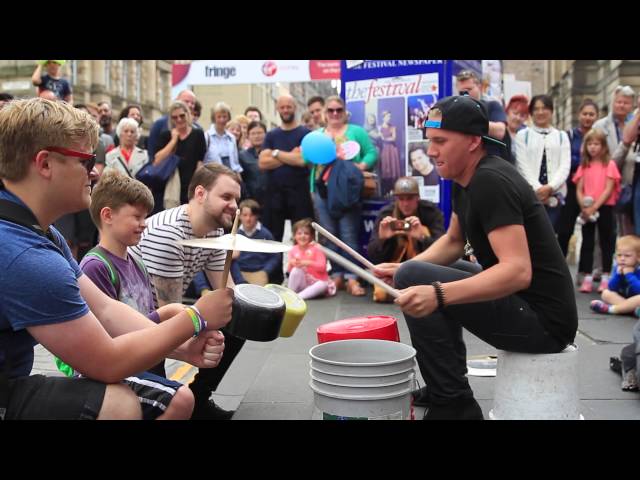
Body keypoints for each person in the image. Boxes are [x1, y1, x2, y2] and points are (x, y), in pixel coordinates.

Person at [0, 98, 232, 420]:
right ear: (44, 164)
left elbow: (107, 310)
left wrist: (180, 346)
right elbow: (107, 362)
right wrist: (194, 319)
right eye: (85, 160)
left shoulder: (39, 232)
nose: (94, 171)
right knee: (119, 404)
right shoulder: (25, 254)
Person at [374, 95, 578, 420]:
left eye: (440, 141)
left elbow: (517, 272)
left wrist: (437, 293)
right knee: (412, 272)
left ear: (472, 141)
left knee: (416, 279)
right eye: (430, 141)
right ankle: (447, 386)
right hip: (521, 301)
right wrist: (403, 267)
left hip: (544, 323)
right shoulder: (464, 179)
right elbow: (454, 242)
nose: (430, 151)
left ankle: (453, 404)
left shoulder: (490, 182)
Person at [78, 170, 212, 419]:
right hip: (115, 370)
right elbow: (105, 336)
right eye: (137, 216)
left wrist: (169, 313)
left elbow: (143, 318)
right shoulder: (96, 266)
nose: (145, 223)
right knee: (179, 400)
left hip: (146, 363)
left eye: (146, 216)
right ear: (107, 215)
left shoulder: (136, 261)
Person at [129, 163, 244, 420]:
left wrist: (257, 310)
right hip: (133, 324)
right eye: (226, 197)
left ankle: (200, 397)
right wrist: (199, 339)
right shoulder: (169, 232)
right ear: (200, 194)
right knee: (162, 403)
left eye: (236, 199)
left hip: (162, 318)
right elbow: (169, 315)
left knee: (239, 318)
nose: (235, 206)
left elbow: (226, 292)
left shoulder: (214, 230)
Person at [306, 95, 378, 296]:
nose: (335, 113)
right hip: (322, 191)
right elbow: (310, 160)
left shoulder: (356, 132)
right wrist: (312, 189)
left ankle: (353, 278)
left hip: (347, 191)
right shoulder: (319, 134)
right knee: (329, 235)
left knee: (348, 234)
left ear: (345, 112)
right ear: (325, 113)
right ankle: (337, 275)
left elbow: (372, 153)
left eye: (339, 110)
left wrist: (360, 167)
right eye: (331, 110)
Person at [367, 177, 445, 302]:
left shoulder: (430, 212)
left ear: (417, 198)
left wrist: (422, 237)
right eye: (401, 199)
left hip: (422, 267)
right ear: (396, 199)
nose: (405, 203)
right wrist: (382, 239)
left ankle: (411, 286)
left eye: (409, 198)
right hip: (394, 269)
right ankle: (407, 286)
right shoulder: (386, 214)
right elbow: (372, 256)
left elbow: (444, 250)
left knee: (425, 231)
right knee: (381, 294)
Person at [574, 128, 620, 293]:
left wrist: (594, 207)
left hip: (604, 207)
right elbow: (579, 188)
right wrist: (584, 207)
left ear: (603, 146)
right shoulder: (584, 165)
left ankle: (606, 275)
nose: (593, 147)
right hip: (587, 208)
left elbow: (608, 189)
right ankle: (587, 275)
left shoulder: (610, 164)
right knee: (587, 242)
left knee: (606, 241)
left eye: (597, 144)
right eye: (590, 144)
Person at [515, 95, 571, 230]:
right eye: (536, 109)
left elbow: (565, 165)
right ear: (531, 113)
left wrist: (550, 187)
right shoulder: (523, 135)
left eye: (544, 108)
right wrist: (538, 189)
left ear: (551, 111)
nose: (540, 112)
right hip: (530, 195)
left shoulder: (561, 136)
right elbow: (522, 165)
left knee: (551, 235)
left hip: (555, 196)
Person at [556, 99, 600, 260]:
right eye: (585, 114)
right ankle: (560, 264)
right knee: (565, 230)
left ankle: (585, 273)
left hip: (592, 187)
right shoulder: (570, 136)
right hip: (572, 186)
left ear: (597, 116)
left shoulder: (600, 136)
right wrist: (582, 159)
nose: (588, 117)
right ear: (579, 115)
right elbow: (566, 159)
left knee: (589, 231)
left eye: (591, 114)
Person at [595, 85, 637, 235]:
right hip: (606, 184)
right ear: (613, 102)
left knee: (629, 230)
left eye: (626, 103)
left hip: (630, 182)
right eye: (619, 102)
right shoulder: (600, 126)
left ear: (632, 105)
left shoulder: (636, 124)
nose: (622, 105)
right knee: (606, 234)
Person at [154, 100, 207, 209]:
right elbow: (157, 160)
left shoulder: (198, 134)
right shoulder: (166, 135)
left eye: (182, 116)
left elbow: (200, 163)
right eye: (175, 117)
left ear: (188, 114)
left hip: (190, 185)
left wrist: (195, 185)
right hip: (170, 185)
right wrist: (173, 140)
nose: (179, 119)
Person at [456, 70, 511, 162]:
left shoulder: (492, 106)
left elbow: (500, 131)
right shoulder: (456, 112)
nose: (465, 95)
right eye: (461, 92)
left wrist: (471, 122)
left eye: (469, 90)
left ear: (480, 87)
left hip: (492, 162)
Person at [230, 199, 281, 286]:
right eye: (245, 215)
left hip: (259, 273)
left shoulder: (265, 234)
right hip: (239, 274)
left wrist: (265, 271)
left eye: (252, 215)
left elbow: (275, 256)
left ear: (257, 216)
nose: (248, 219)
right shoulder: (236, 234)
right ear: (240, 216)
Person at [590, 235, 640, 316]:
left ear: (638, 257)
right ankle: (631, 310)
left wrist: (629, 275)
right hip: (623, 299)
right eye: (619, 255)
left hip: (636, 299)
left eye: (627, 256)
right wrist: (618, 275)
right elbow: (612, 287)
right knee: (606, 293)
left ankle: (612, 309)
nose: (622, 258)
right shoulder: (618, 268)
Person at [287, 218, 335, 299]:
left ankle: (298, 297)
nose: (302, 236)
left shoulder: (317, 248)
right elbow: (289, 272)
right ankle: (290, 294)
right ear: (294, 236)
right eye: (299, 233)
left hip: (316, 282)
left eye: (306, 233)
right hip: (303, 283)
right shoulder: (293, 250)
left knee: (322, 285)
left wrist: (307, 263)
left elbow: (322, 267)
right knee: (296, 270)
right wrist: (291, 263)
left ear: (312, 236)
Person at [147, 90, 199, 163]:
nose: (190, 105)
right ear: (176, 101)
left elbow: (201, 160)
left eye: (193, 103)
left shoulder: (197, 130)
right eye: (186, 101)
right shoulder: (159, 125)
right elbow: (152, 155)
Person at [204, 102, 243, 175]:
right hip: (212, 177)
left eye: (224, 116)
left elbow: (235, 163)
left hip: (230, 176)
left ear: (228, 118)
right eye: (219, 117)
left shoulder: (231, 138)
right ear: (214, 118)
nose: (222, 120)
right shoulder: (206, 136)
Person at [239, 120, 268, 206]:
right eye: (253, 133)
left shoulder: (271, 154)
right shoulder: (242, 156)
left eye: (259, 133)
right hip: (250, 201)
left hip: (271, 200)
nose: (257, 136)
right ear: (248, 136)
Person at [379, 110, 401, 195]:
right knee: (385, 169)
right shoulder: (379, 127)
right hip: (384, 149)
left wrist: (384, 139)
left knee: (393, 169)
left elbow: (394, 138)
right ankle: (386, 190)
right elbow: (379, 138)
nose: (389, 118)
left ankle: (393, 189)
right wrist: (384, 139)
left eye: (390, 116)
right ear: (383, 118)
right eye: (387, 116)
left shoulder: (393, 127)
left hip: (392, 149)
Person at [504, 94, 530, 163]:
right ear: (507, 112)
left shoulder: (527, 135)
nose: (518, 118)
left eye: (522, 115)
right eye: (515, 113)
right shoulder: (499, 132)